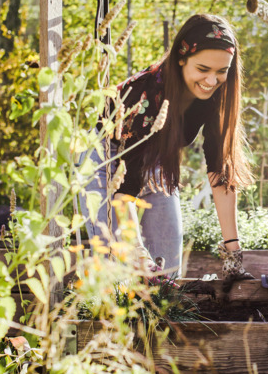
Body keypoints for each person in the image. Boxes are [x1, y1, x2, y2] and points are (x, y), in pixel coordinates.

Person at [80, 14, 254, 284]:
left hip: (157, 167)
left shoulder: (217, 94)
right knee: (121, 273)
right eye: (203, 69)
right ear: (181, 59)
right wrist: (137, 253)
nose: (212, 80)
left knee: (168, 272)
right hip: (108, 166)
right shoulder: (144, 95)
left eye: (222, 71)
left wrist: (234, 256)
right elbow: (124, 189)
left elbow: (220, 174)